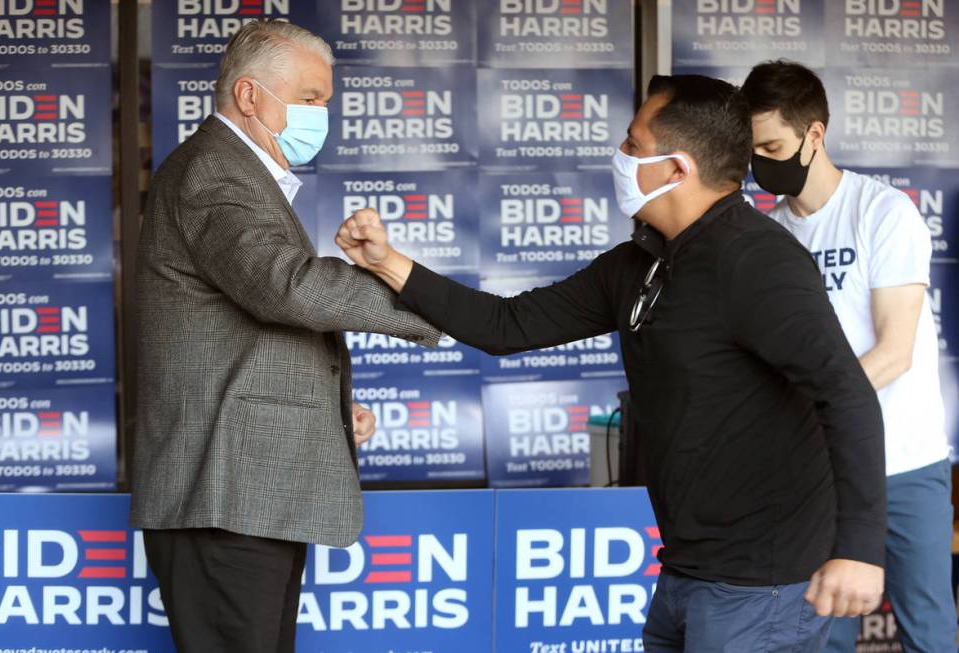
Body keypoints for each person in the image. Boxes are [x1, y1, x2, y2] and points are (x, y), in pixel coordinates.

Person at [337, 74, 888, 652]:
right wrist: (389, 263)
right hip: (685, 571)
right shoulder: (641, 261)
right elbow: (507, 326)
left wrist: (858, 547)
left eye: (633, 144)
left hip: (763, 585)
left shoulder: (758, 260)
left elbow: (844, 393)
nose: (619, 156)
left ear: (676, 169)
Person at [129, 20, 441, 653]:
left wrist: (324, 409)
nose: (322, 115)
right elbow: (287, 288)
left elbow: (237, 335)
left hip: (247, 495)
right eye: (310, 100)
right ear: (250, 96)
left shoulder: (234, 173)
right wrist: (431, 302)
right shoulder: (214, 174)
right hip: (220, 495)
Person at [742, 60, 956, 653]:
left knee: (929, 631)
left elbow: (894, 352)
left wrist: (810, 409)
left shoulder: (883, 213)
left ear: (814, 135)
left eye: (772, 145)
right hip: (820, 473)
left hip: (905, 463)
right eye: (752, 150)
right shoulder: (768, 235)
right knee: (821, 634)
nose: (761, 163)